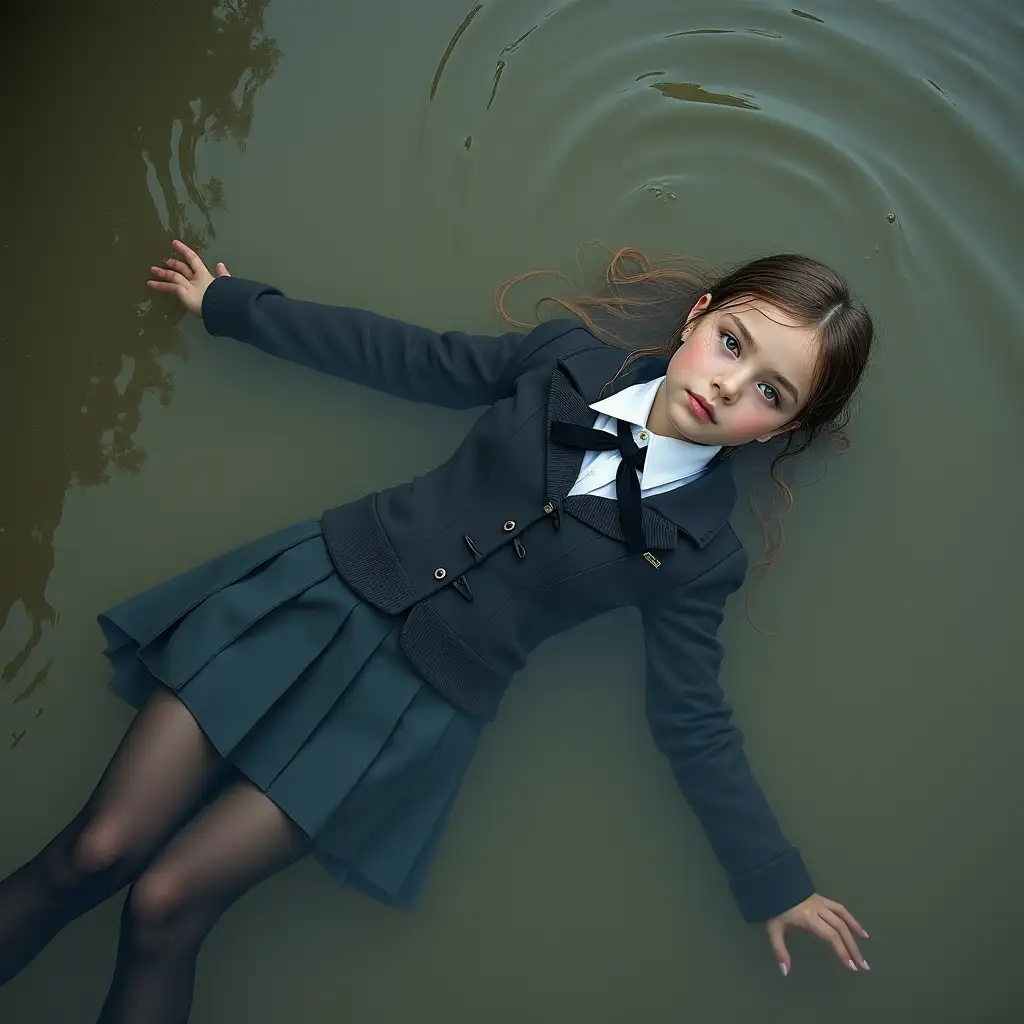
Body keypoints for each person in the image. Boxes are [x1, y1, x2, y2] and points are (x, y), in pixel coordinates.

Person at [0, 239, 874, 1022]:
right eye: (732, 342)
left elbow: (690, 717)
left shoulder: (699, 553)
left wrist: (775, 883)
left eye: (770, 390)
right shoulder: (563, 358)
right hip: (313, 596)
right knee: (97, 849)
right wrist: (232, 307)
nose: (728, 383)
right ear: (698, 316)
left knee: (164, 902)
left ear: (786, 426)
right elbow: (403, 357)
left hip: (408, 714)